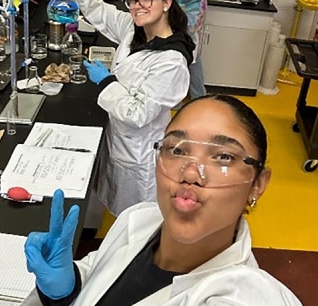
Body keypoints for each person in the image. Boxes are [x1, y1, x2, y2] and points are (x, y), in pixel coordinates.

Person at [22, 94, 302, 306]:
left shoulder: (241, 298)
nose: (191, 173)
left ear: (258, 183)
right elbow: (98, 274)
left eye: (223, 157)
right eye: (177, 150)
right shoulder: (139, 219)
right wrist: (64, 289)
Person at [66, 0, 195, 217]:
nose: (138, 6)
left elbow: (138, 113)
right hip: (120, 141)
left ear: (167, 3)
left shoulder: (171, 62)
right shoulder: (133, 29)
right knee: (119, 216)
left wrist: (107, 82)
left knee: (138, 222)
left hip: (140, 154)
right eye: (133, 0)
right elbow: (96, 10)